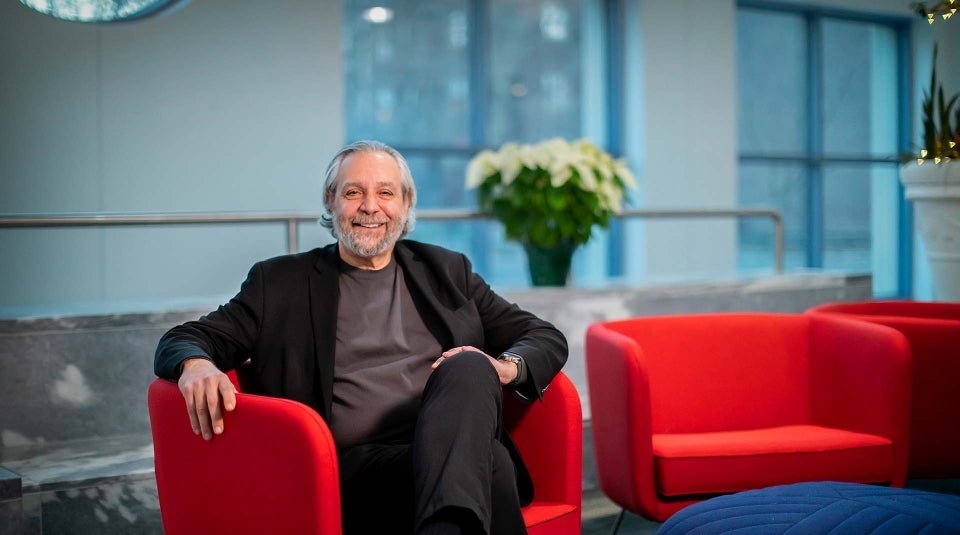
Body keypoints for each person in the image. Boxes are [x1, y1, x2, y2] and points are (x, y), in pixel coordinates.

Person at [154, 140, 569, 535]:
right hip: (352, 468)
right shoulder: (279, 282)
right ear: (330, 202)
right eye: (353, 192)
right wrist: (195, 363)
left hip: (443, 443)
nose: (370, 207)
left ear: (406, 204)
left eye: (385, 192)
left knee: (470, 367)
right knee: (491, 464)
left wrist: (506, 367)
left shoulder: (446, 271)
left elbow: (543, 336)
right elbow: (187, 337)